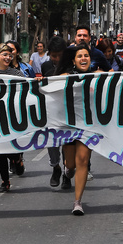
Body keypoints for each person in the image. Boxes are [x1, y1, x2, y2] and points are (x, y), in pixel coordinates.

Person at [54, 44, 96, 215]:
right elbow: (48, 88)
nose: (83, 58)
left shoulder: (98, 76)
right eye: (80, 56)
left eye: (86, 55)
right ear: (73, 60)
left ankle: (77, 202)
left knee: (83, 161)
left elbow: (119, 81)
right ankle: (67, 169)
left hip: (89, 125)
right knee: (71, 163)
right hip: (69, 125)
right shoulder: (65, 77)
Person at [0, 45, 24, 192]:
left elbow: (28, 87)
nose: (8, 58)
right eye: (4, 54)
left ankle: (16, 158)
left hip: (12, 116)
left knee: (9, 145)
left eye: (10, 55)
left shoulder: (17, 73)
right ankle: (5, 180)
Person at [41, 36, 68, 188]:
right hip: (50, 112)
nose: (57, 59)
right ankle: (56, 167)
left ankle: (67, 173)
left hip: (68, 112)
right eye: (54, 56)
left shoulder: (71, 68)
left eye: (60, 55)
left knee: (67, 143)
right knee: (52, 143)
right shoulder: (45, 66)